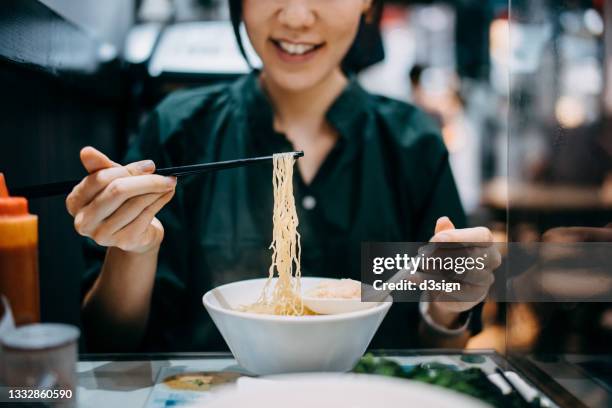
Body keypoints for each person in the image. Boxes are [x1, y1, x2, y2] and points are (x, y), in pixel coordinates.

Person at [67, 0, 500, 352]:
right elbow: (111, 340)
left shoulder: (413, 143)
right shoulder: (178, 129)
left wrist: (447, 305)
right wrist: (133, 247)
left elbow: (442, 349)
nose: (295, 16)